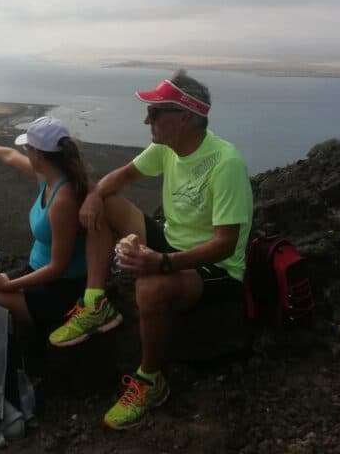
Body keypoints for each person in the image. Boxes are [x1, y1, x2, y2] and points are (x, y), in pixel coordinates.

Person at [47, 70, 253, 429]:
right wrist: (95, 195)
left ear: (184, 117)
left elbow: (226, 244)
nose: (147, 119)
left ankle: (151, 381)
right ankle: (96, 302)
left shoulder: (225, 164)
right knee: (106, 203)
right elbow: (123, 176)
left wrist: (162, 263)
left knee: (150, 286)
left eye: (156, 112)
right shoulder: (167, 149)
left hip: (217, 268)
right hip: (173, 245)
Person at [0, 116, 90, 335]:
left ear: (37, 155)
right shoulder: (48, 178)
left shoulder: (64, 199)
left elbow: (58, 268)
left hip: (59, 292)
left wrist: (6, 286)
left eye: (27, 148)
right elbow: (10, 156)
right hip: (35, 273)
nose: (24, 152)